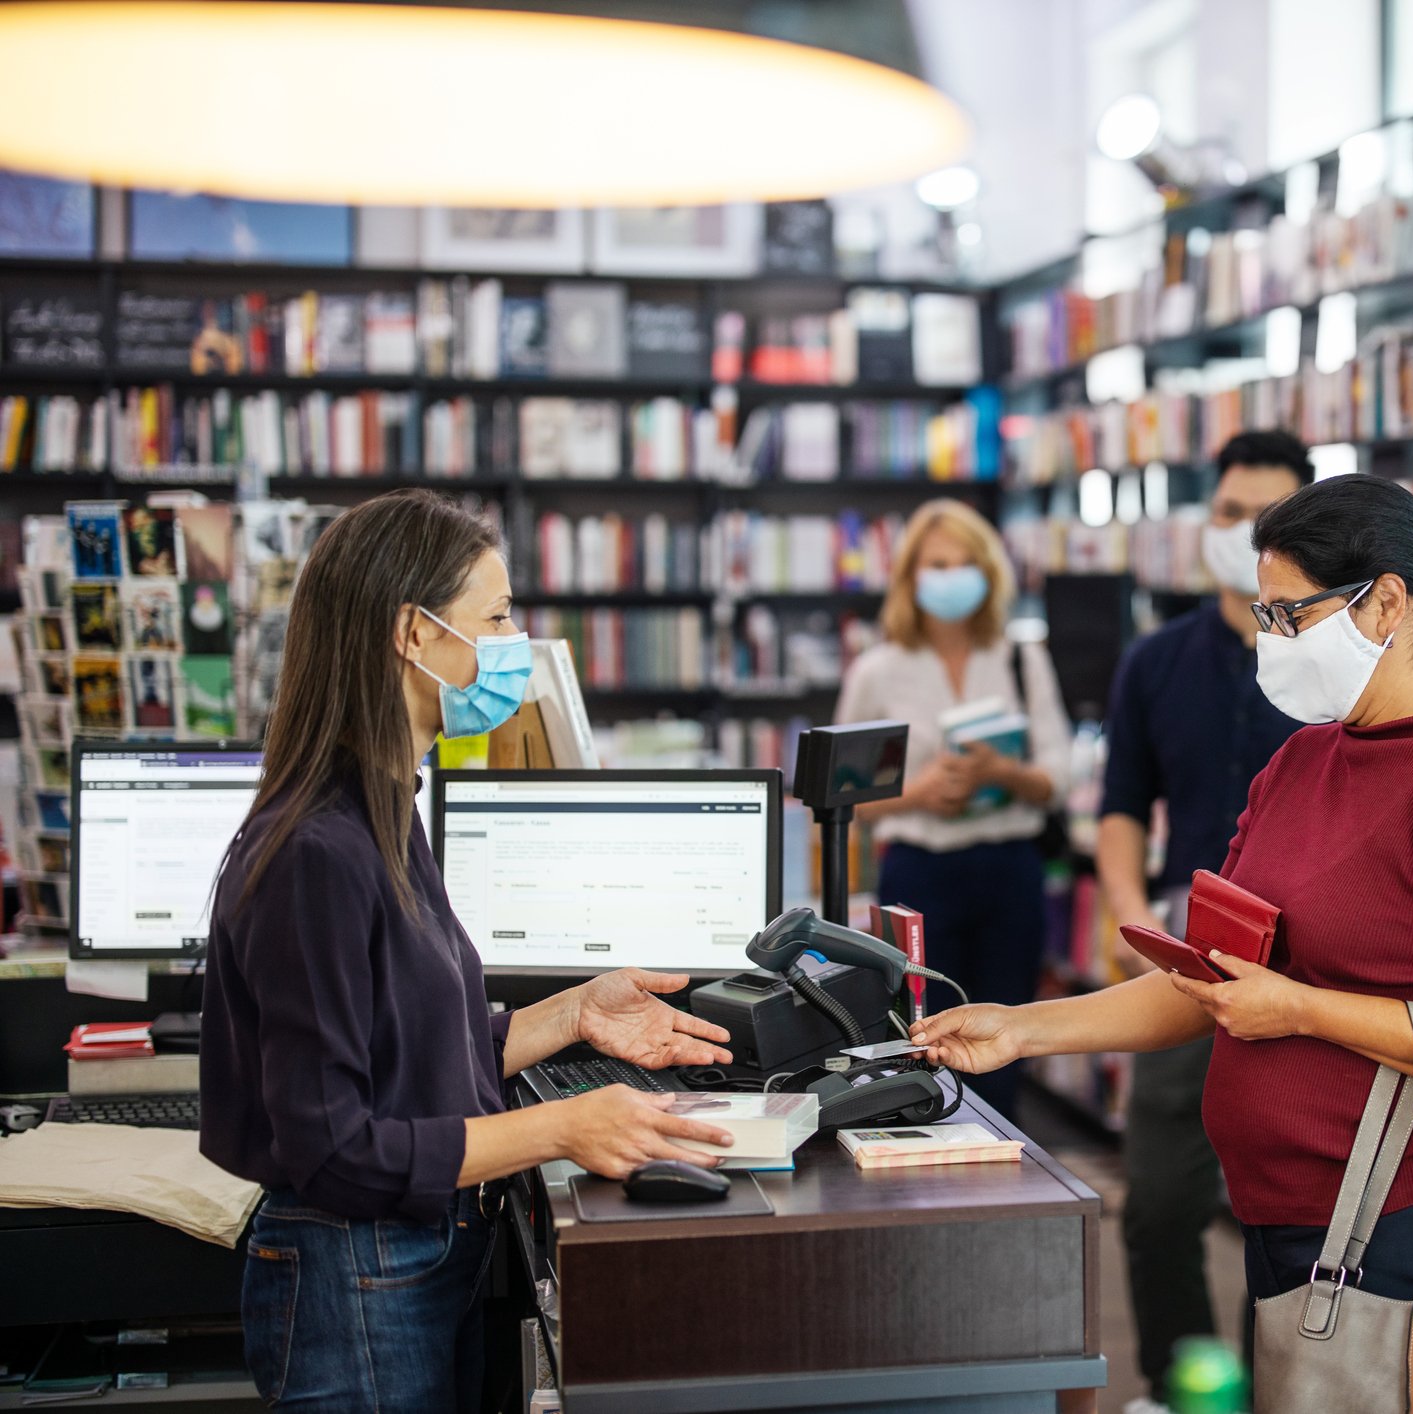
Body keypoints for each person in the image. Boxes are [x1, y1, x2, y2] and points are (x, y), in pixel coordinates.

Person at [913, 473, 1413, 1309]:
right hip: (1289, 1211)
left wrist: (1301, 1009)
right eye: (1265, 617)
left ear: (1384, 605)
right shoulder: (1302, 761)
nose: (1272, 638)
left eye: (1289, 614)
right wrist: (1021, 1030)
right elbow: (1217, 982)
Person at [201, 491, 742, 1412]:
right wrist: (566, 1126)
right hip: (354, 1275)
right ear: (414, 635)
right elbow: (336, 1151)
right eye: (494, 617)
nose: (512, 643)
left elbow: (404, 1059)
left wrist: (574, 1013)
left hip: (405, 1262)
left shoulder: (380, 807)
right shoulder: (316, 853)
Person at [1098, 431, 1307, 1408]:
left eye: (1268, 518)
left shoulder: (1332, 669)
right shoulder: (1153, 662)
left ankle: (1275, 1391)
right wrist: (1125, 909)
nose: (1243, 534)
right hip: (1186, 971)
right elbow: (1122, 805)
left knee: (1288, 1217)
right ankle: (1179, 1390)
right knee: (1159, 1206)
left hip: (1311, 982)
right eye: (1229, 513)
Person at [834, 497, 1070, 1119]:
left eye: (965, 563)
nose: (950, 577)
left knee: (1008, 1036)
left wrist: (1003, 774)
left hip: (1010, 870)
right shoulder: (877, 672)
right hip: (919, 873)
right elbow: (840, 799)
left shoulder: (1022, 656)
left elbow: (1060, 779)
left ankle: (1005, 1170)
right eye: (936, 563)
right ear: (911, 574)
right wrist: (918, 794)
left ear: (989, 575)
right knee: (916, 1040)